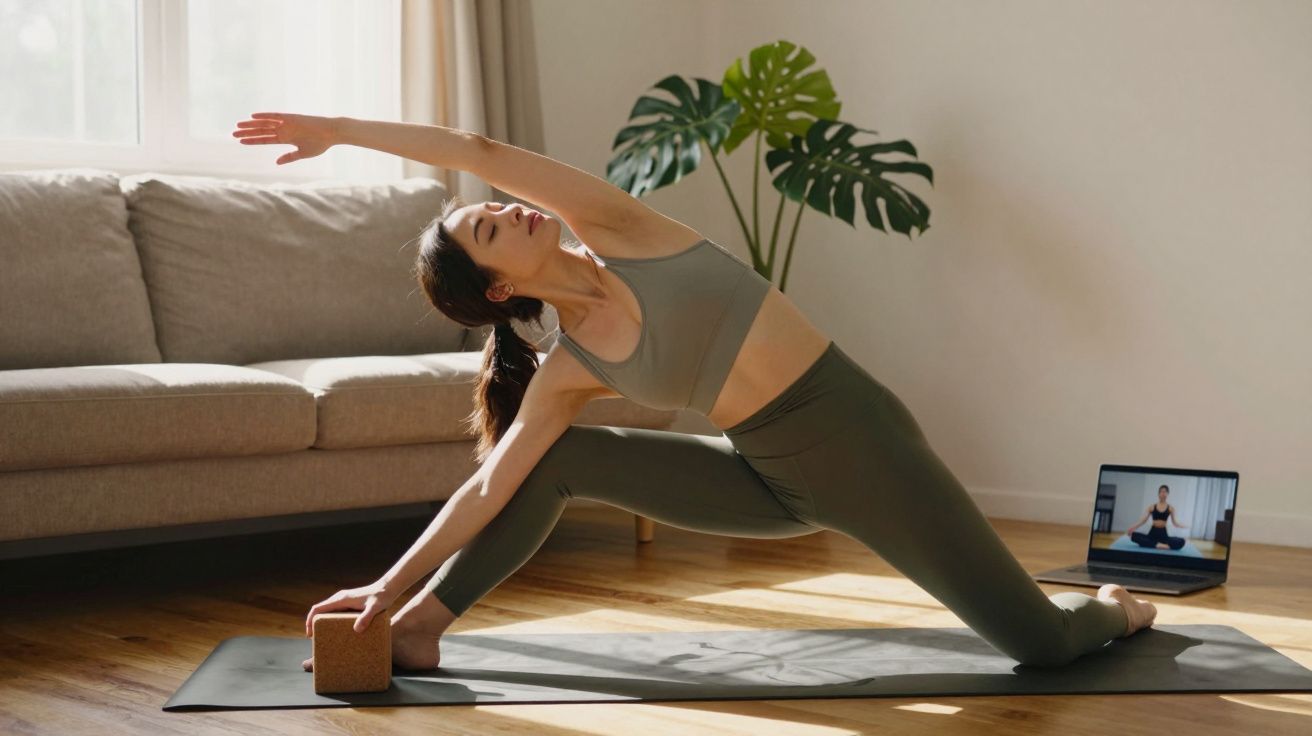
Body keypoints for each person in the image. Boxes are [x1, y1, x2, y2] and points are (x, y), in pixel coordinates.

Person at [230, 112, 1158, 673]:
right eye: (490, 228)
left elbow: (474, 143)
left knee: (1039, 645)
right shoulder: (570, 368)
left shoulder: (624, 228)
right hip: (766, 480)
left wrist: (340, 131)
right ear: (501, 290)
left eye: (495, 205)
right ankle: (426, 628)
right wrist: (388, 593)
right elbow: (487, 488)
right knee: (560, 458)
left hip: (862, 446)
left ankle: (1113, 607)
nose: (509, 208)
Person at [1126, 484, 1189, 550]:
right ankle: (1161, 545)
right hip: (1153, 533)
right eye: (1161, 492)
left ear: (1167, 494)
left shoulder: (1171, 508)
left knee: (1181, 541)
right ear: (1158, 494)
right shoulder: (1152, 507)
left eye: (1165, 492)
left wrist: (1184, 526)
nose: (1163, 493)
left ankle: (1155, 544)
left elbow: (1175, 523)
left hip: (1163, 533)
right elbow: (1142, 521)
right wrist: (1132, 527)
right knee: (1133, 536)